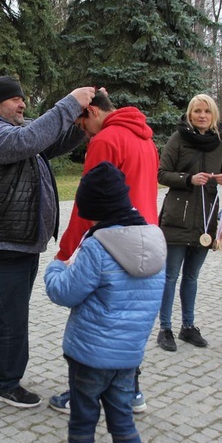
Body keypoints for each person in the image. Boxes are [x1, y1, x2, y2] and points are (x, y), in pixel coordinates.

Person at [0, 75, 95, 408]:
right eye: (16, 99)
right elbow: (32, 138)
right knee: (12, 313)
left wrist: (79, 124)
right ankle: (4, 383)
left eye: (23, 99)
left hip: (10, 240)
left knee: (6, 306)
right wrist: (70, 102)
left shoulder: (11, 131)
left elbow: (49, 141)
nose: (23, 104)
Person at [44, 162, 166, 443]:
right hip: (128, 357)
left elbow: (64, 293)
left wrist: (56, 267)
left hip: (89, 356)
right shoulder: (156, 240)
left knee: (83, 421)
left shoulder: (98, 247)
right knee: (123, 422)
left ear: (96, 209)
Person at [49, 91, 160, 414]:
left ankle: (82, 394)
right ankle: (131, 390)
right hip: (146, 240)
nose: (82, 131)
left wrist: (66, 251)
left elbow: (88, 202)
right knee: (130, 321)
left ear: (92, 111)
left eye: (81, 122)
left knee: (96, 320)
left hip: (110, 242)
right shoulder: (146, 138)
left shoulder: (106, 141)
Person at [156, 94, 222, 352]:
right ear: (190, 115)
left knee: (191, 277)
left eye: (207, 111)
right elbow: (161, 173)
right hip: (177, 219)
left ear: (214, 115)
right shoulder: (178, 139)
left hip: (205, 222)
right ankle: (165, 328)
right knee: (170, 276)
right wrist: (188, 179)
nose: (202, 115)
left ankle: (188, 327)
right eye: (197, 111)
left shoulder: (221, 145)